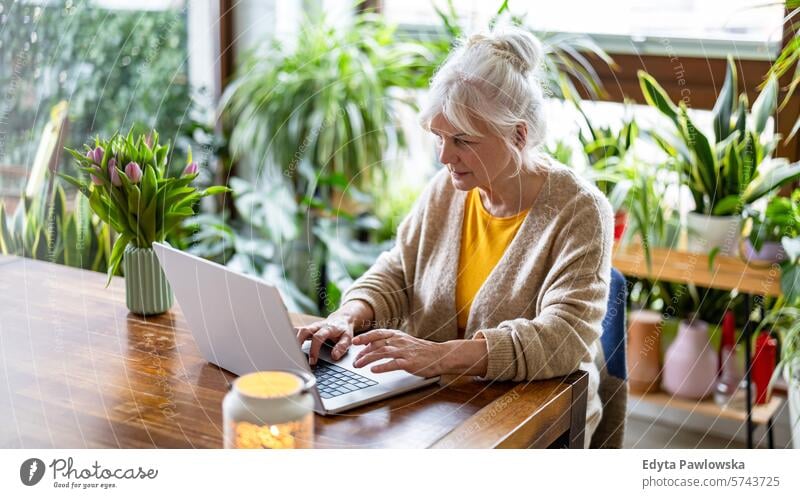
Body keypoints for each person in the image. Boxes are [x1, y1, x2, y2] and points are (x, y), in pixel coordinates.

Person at [295, 26, 613, 446]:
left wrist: (440, 356)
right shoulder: (449, 187)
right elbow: (399, 268)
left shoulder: (580, 210)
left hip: (531, 419)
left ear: (518, 135)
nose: (445, 156)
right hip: (435, 405)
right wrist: (348, 316)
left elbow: (564, 337)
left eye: (462, 140)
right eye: (440, 137)